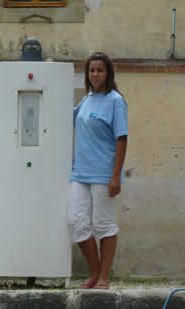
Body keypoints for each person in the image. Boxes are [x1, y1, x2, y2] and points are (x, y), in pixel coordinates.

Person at [69, 52, 128, 289]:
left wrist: (116, 176)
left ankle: (104, 277)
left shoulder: (115, 101)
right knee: (76, 222)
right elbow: (66, 119)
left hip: (104, 174)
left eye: (99, 70)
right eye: (91, 70)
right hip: (80, 173)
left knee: (103, 225)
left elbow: (121, 139)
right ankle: (94, 273)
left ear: (108, 73)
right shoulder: (86, 100)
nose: (95, 74)